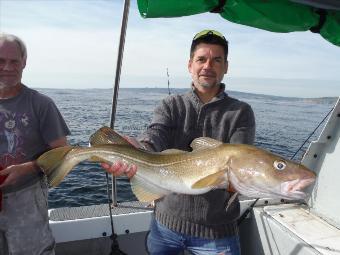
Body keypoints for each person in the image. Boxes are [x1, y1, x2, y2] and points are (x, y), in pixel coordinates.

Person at [103, 29, 255, 255]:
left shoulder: (241, 112)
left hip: (217, 233)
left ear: (226, 67)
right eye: (201, 59)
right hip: (165, 226)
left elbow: (240, 168)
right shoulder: (170, 105)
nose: (208, 66)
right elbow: (154, 138)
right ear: (190, 65)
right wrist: (136, 149)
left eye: (216, 60)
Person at [0, 33, 70, 255]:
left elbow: (63, 153)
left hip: (27, 198)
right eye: (0, 61)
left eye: (14, 61)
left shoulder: (41, 105)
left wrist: (27, 169)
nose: (7, 67)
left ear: (24, 62)